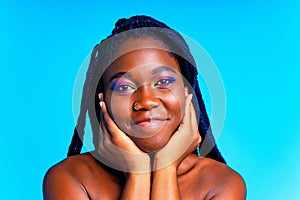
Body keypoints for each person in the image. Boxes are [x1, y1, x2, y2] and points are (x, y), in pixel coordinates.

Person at [43, 15, 246, 199]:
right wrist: (137, 172)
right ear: (102, 101)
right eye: (124, 86)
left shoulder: (222, 184)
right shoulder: (70, 178)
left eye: (163, 82)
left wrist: (165, 168)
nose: (147, 101)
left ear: (187, 93)